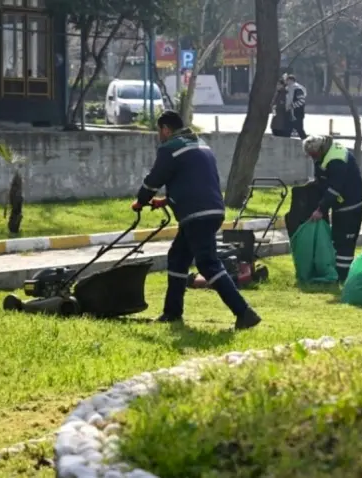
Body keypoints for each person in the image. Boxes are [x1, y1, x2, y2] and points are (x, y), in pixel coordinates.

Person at [132, 110, 262, 330]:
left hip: (196, 214)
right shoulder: (199, 144)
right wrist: (166, 201)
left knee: (207, 263)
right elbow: (193, 180)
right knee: (178, 258)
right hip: (212, 210)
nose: (159, 136)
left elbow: (154, 180)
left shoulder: (170, 148)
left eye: (159, 131)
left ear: (165, 129)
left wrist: (141, 200)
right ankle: (172, 312)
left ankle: (244, 312)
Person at [302, 135, 362, 282]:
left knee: (345, 242)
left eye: (313, 155)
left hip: (351, 204)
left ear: (319, 150)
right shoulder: (324, 153)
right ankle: (337, 274)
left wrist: (320, 209)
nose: (312, 158)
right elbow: (323, 177)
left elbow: (334, 188)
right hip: (341, 204)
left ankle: (342, 278)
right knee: (337, 239)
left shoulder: (336, 160)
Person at [285, 75, 308, 139]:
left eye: (287, 80)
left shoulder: (297, 89)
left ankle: (306, 142)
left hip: (297, 113)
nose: (286, 82)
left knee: (299, 130)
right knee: (288, 130)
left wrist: (292, 106)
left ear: (291, 80)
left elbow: (301, 101)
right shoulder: (289, 88)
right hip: (291, 113)